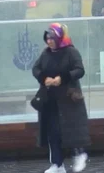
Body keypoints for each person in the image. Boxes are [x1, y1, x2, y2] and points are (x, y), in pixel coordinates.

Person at [31, 23, 90, 173]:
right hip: (50, 99)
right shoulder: (46, 53)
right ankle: (57, 164)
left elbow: (79, 70)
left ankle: (79, 154)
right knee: (53, 132)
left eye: (52, 38)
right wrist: (44, 78)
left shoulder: (71, 52)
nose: (49, 41)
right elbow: (36, 69)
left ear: (59, 38)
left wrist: (62, 78)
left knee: (72, 129)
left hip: (69, 99)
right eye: (47, 38)